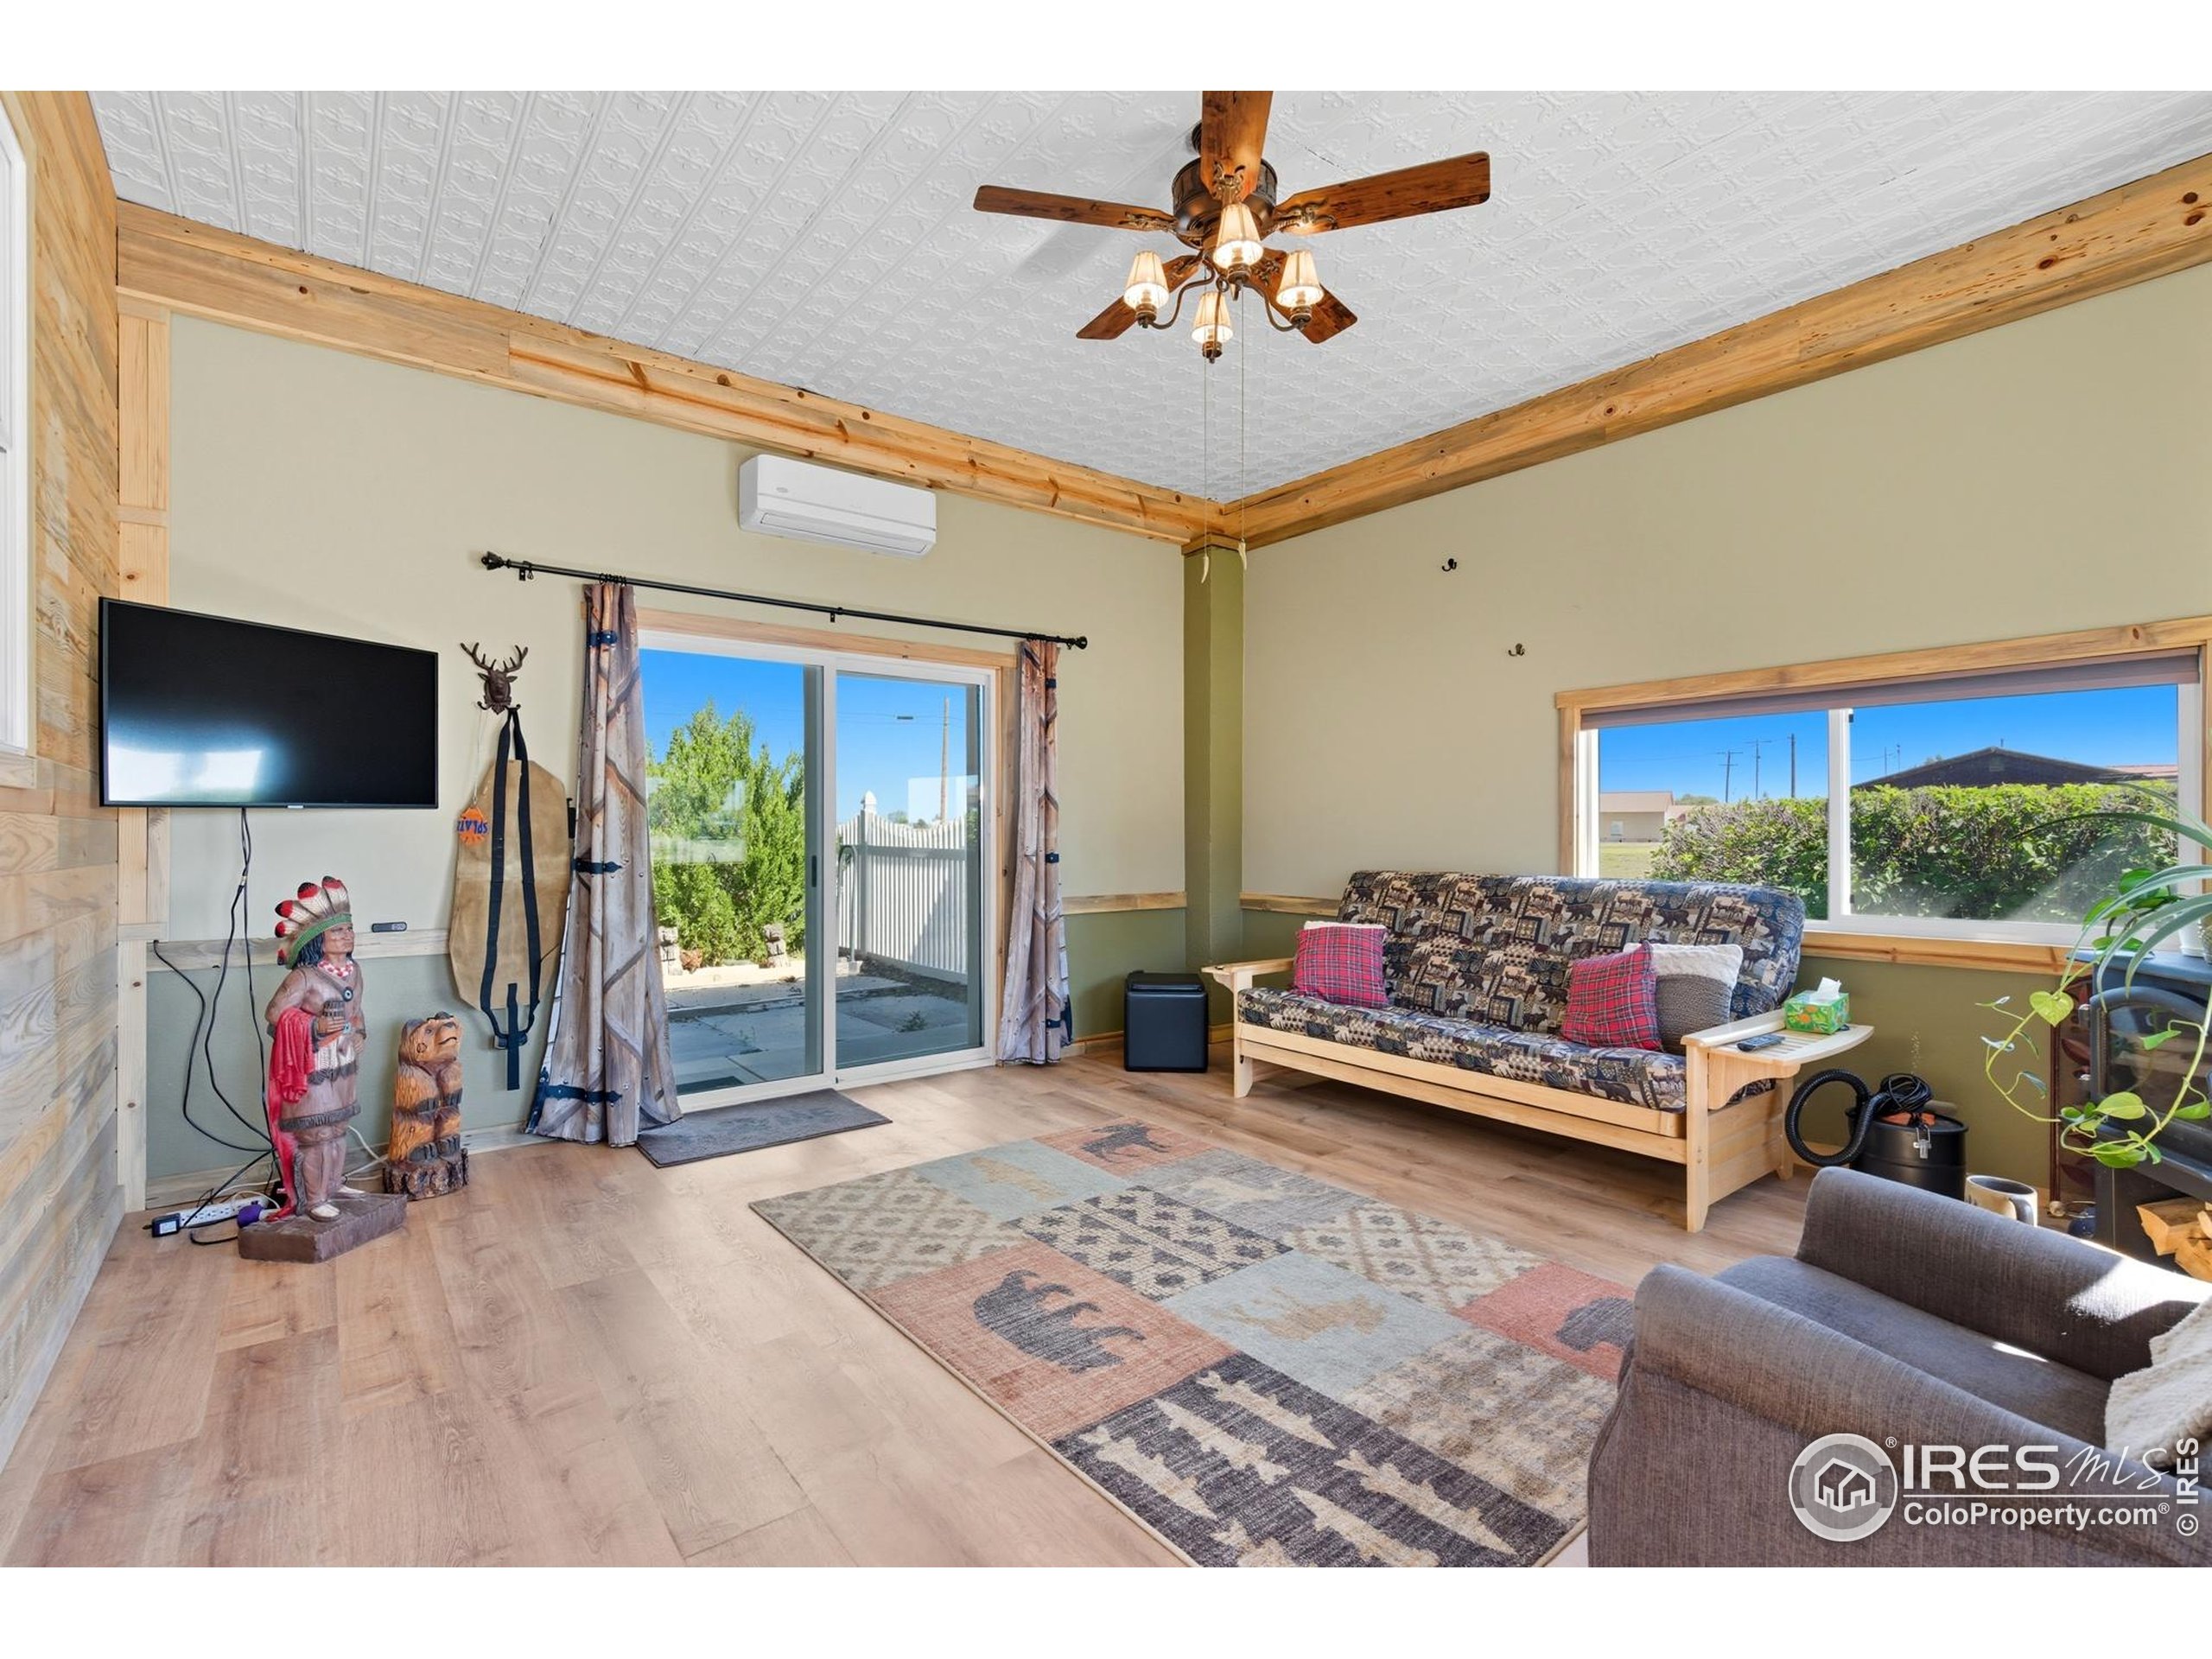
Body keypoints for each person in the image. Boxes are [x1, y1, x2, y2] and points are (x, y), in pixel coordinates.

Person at [264, 876, 365, 1221]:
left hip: (344, 1065)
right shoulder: (304, 977)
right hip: (311, 1068)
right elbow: (275, 1014)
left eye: (349, 929)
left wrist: (360, 1032)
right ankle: (314, 1196)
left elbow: (357, 1010)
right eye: (338, 932)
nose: (347, 936)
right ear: (317, 941)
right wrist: (314, 1026)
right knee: (316, 1134)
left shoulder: (354, 971)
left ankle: (334, 1184)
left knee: (337, 1129)